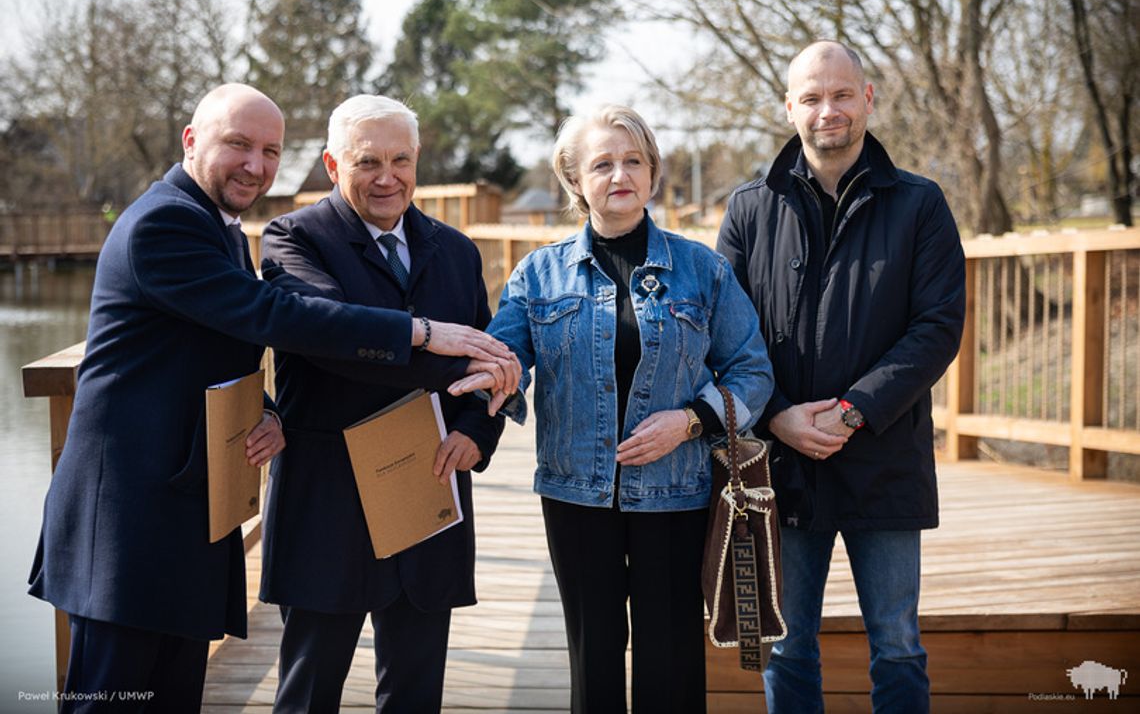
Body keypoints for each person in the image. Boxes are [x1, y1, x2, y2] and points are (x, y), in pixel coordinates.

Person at [27, 83, 518, 713]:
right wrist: (424, 334)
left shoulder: (222, 228)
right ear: (192, 141)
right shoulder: (173, 223)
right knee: (114, 698)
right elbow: (279, 317)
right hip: (133, 519)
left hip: (213, 505)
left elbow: (218, 342)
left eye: (268, 151)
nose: (255, 165)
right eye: (238, 144)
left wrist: (264, 407)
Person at [450, 104, 774, 714]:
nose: (620, 175)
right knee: (593, 658)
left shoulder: (702, 270)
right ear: (575, 180)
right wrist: (496, 379)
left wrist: (691, 421)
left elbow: (752, 371)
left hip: (677, 493)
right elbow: (504, 358)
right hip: (576, 496)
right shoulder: (539, 274)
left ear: (652, 172)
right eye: (602, 164)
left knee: (672, 662)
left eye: (634, 161)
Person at [716, 41, 966, 713]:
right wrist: (777, 416)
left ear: (869, 98)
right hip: (782, 465)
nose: (828, 110)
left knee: (897, 643)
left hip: (884, 454)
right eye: (812, 97)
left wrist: (854, 409)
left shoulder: (920, 205)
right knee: (788, 644)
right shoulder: (748, 209)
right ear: (789, 107)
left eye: (842, 94)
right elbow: (723, 334)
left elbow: (938, 326)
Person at [256, 94, 507, 713]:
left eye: (401, 160)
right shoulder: (294, 238)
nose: (387, 177)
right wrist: (431, 338)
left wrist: (477, 431)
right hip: (329, 501)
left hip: (429, 489)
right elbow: (328, 335)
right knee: (309, 691)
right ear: (333, 166)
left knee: (415, 693)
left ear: (418, 160)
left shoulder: (456, 250)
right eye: (368, 161)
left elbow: (488, 360)